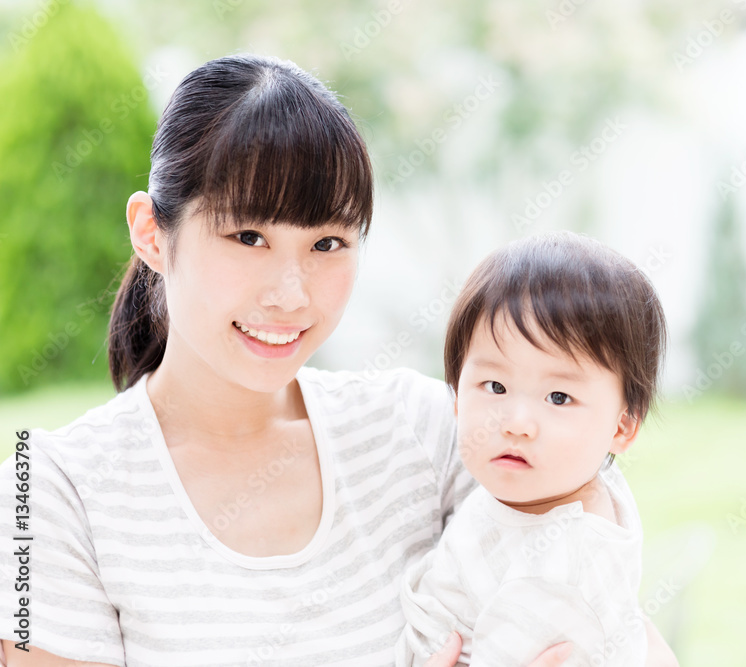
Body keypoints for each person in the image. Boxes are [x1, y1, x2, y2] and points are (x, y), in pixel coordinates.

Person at [0, 55, 675, 666]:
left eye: (327, 243)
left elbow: (620, 630)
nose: (290, 294)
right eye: (249, 235)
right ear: (152, 232)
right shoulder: (50, 492)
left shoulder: (427, 430)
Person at [396, 233, 673, 666]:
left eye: (559, 397)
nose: (516, 424)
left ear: (622, 426)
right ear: (455, 396)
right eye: (496, 386)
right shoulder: (561, 479)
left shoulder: (559, 576)